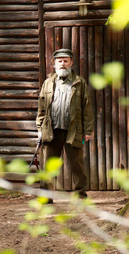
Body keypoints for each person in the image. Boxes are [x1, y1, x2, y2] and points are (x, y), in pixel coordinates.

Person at [36, 48, 94, 201]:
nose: (62, 64)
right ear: (54, 63)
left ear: (71, 62)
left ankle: (80, 197)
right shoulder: (48, 83)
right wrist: (39, 128)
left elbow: (87, 108)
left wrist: (87, 131)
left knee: (77, 166)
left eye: (65, 61)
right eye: (59, 61)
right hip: (51, 130)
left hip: (73, 131)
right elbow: (41, 107)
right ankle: (46, 197)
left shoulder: (79, 83)